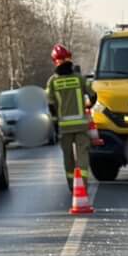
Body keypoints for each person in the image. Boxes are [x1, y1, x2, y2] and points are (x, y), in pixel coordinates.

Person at [45, 43, 96, 193]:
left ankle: (72, 186)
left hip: (65, 127)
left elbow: (51, 105)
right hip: (81, 126)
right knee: (82, 157)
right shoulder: (79, 79)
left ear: (55, 61)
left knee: (68, 158)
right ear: (69, 59)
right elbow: (93, 95)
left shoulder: (52, 82)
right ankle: (83, 186)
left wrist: (55, 125)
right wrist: (88, 106)